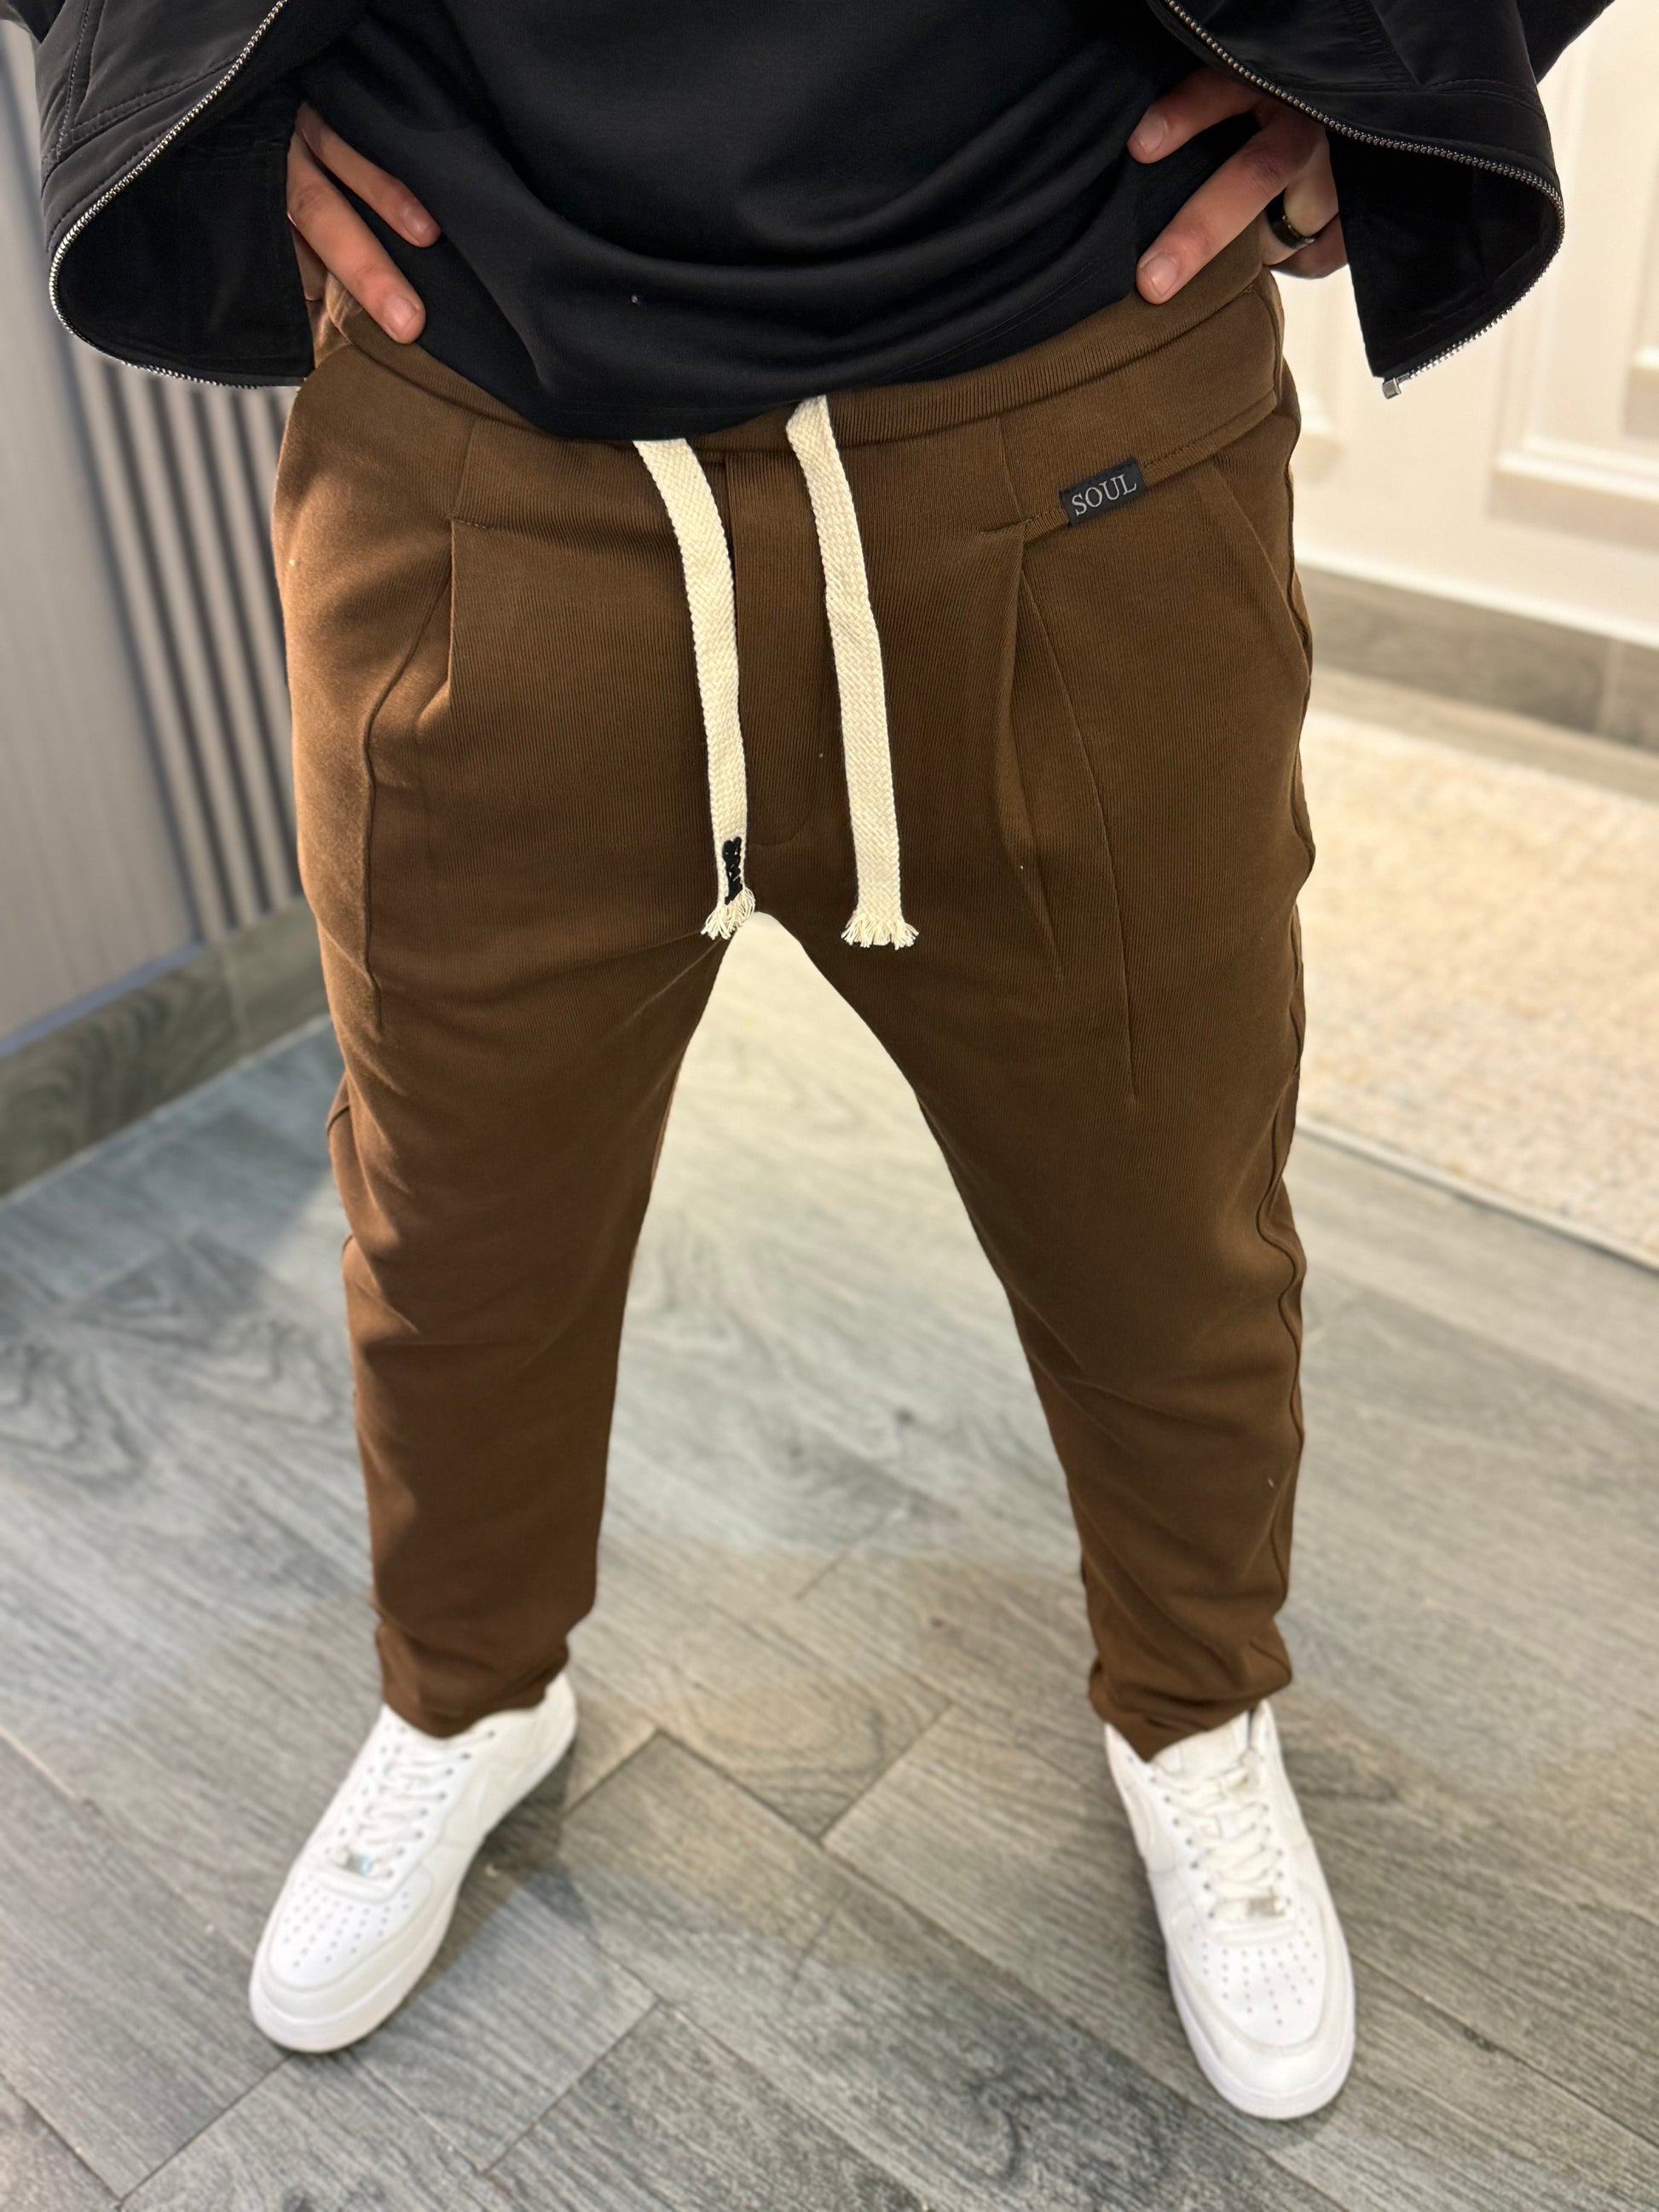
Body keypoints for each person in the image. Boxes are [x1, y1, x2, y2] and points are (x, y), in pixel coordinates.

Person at [9, 0, 1609, 2123]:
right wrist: (167, 84)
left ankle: (1192, 1706)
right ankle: (464, 1692)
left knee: (1165, 1216)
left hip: (1075, 410)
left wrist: (1417, 56)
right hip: (473, 439)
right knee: (455, 1217)